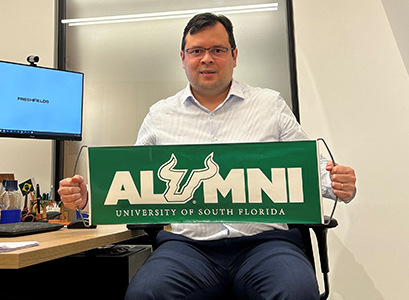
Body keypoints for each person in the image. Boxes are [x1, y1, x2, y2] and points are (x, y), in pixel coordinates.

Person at [59, 13, 356, 300]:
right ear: (183, 58)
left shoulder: (270, 105)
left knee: (297, 291)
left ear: (234, 55)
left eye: (218, 50)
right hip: (188, 249)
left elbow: (311, 170)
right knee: (145, 293)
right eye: (197, 51)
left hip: (266, 245)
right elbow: (137, 188)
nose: (207, 58)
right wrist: (89, 198)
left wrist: (336, 184)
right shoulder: (160, 115)